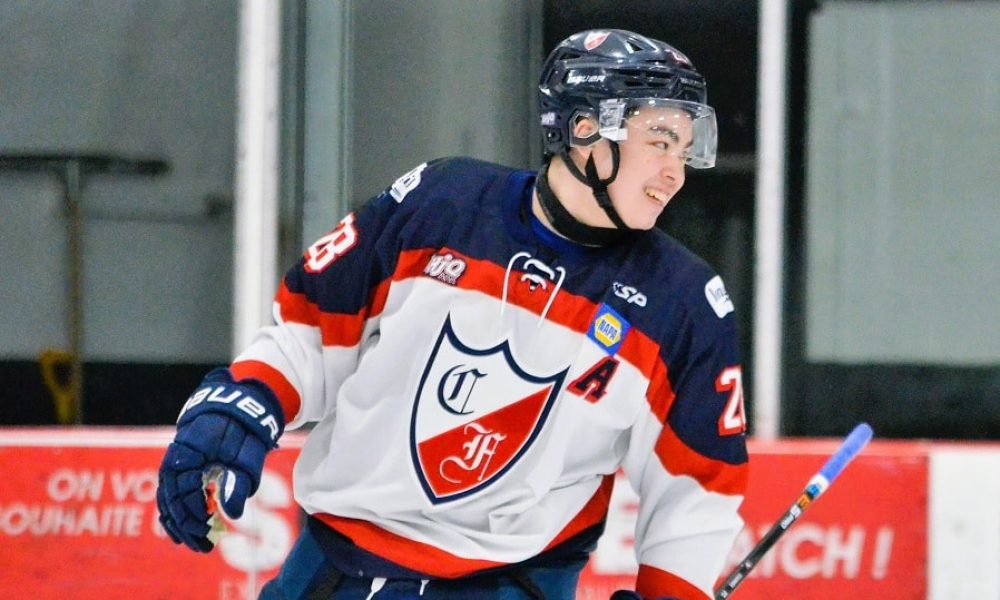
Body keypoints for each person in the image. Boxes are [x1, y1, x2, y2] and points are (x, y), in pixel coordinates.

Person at [156, 28, 748, 600]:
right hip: (330, 572)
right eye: (661, 142)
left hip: (510, 586)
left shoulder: (685, 303)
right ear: (586, 129)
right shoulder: (442, 204)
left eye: (685, 148)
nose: (677, 172)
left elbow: (697, 487)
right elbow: (314, 331)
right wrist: (243, 408)